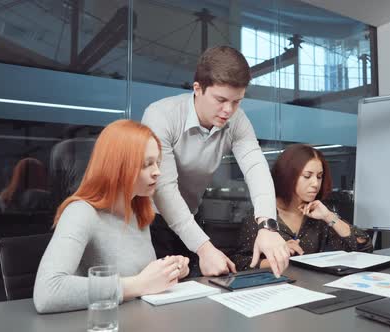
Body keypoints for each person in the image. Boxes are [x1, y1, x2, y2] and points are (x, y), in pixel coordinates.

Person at [142, 46, 289, 277]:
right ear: (198, 89)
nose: (228, 110)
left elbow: (256, 169)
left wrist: (267, 225)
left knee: (200, 287)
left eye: (237, 101)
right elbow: (164, 190)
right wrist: (204, 248)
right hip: (149, 219)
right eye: (220, 99)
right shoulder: (162, 116)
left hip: (190, 215)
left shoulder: (237, 120)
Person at [33, 120, 189, 314]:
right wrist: (138, 285)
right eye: (147, 164)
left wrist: (168, 271)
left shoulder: (138, 210)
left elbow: (141, 279)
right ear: (118, 166)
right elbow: (47, 293)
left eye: (157, 163)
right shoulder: (80, 212)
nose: (157, 172)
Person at [231, 144, 373, 271]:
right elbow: (240, 263)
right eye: (307, 176)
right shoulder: (263, 215)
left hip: (313, 289)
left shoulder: (318, 216)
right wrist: (280, 257)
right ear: (287, 176)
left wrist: (329, 216)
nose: (315, 183)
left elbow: (364, 247)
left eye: (319, 176)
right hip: (276, 291)